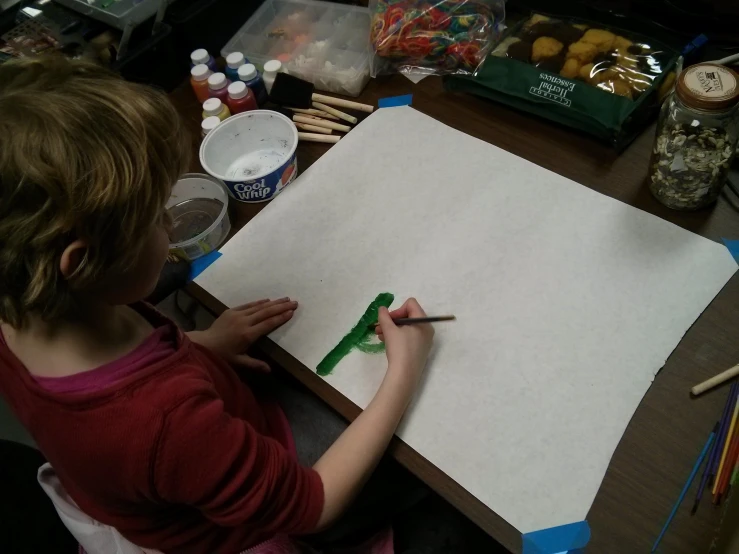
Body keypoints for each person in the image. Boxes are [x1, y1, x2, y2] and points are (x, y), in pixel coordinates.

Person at [0, 57, 434, 553]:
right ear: (79, 264)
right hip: (245, 524)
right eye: (156, 217)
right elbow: (313, 505)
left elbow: (130, 372)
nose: (169, 225)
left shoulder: (22, 311)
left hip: (167, 475)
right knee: (420, 464)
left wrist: (202, 344)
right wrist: (405, 371)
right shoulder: (164, 424)